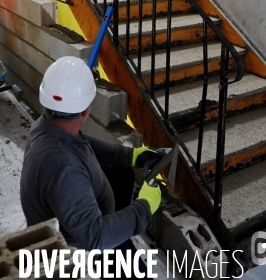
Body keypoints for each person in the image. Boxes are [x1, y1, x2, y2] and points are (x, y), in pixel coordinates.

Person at [20, 56, 163, 259]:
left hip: (73, 226)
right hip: (77, 252)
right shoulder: (64, 169)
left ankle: (119, 227)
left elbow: (85, 144)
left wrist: (131, 156)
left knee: (122, 173)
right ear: (85, 110)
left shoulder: (46, 126)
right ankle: (117, 236)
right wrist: (145, 207)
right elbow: (96, 237)